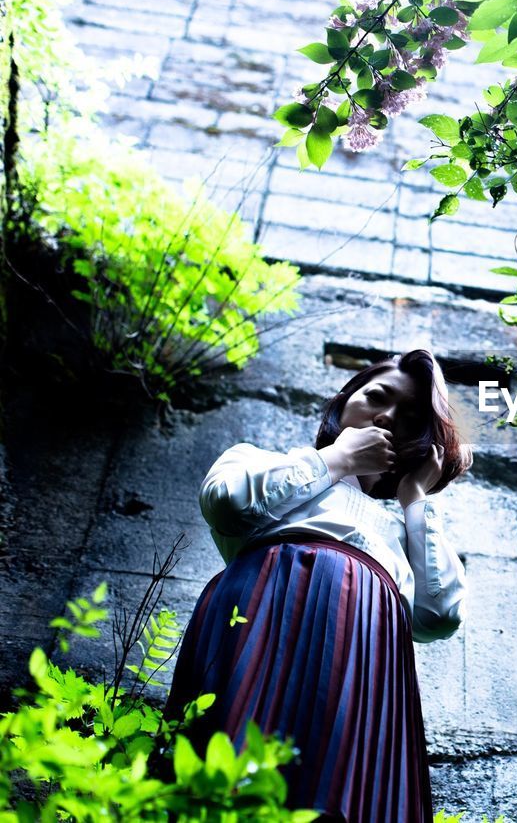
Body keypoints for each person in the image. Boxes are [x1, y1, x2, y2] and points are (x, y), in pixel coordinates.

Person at [162, 349, 472, 822]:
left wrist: (416, 500)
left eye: (409, 417)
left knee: (340, 778)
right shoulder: (258, 459)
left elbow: (438, 616)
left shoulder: (398, 530)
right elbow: (227, 503)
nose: (387, 416)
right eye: (377, 397)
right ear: (344, 400)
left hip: (364, 649)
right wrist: (336, 459)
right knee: (230, 746)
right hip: (266, 612)